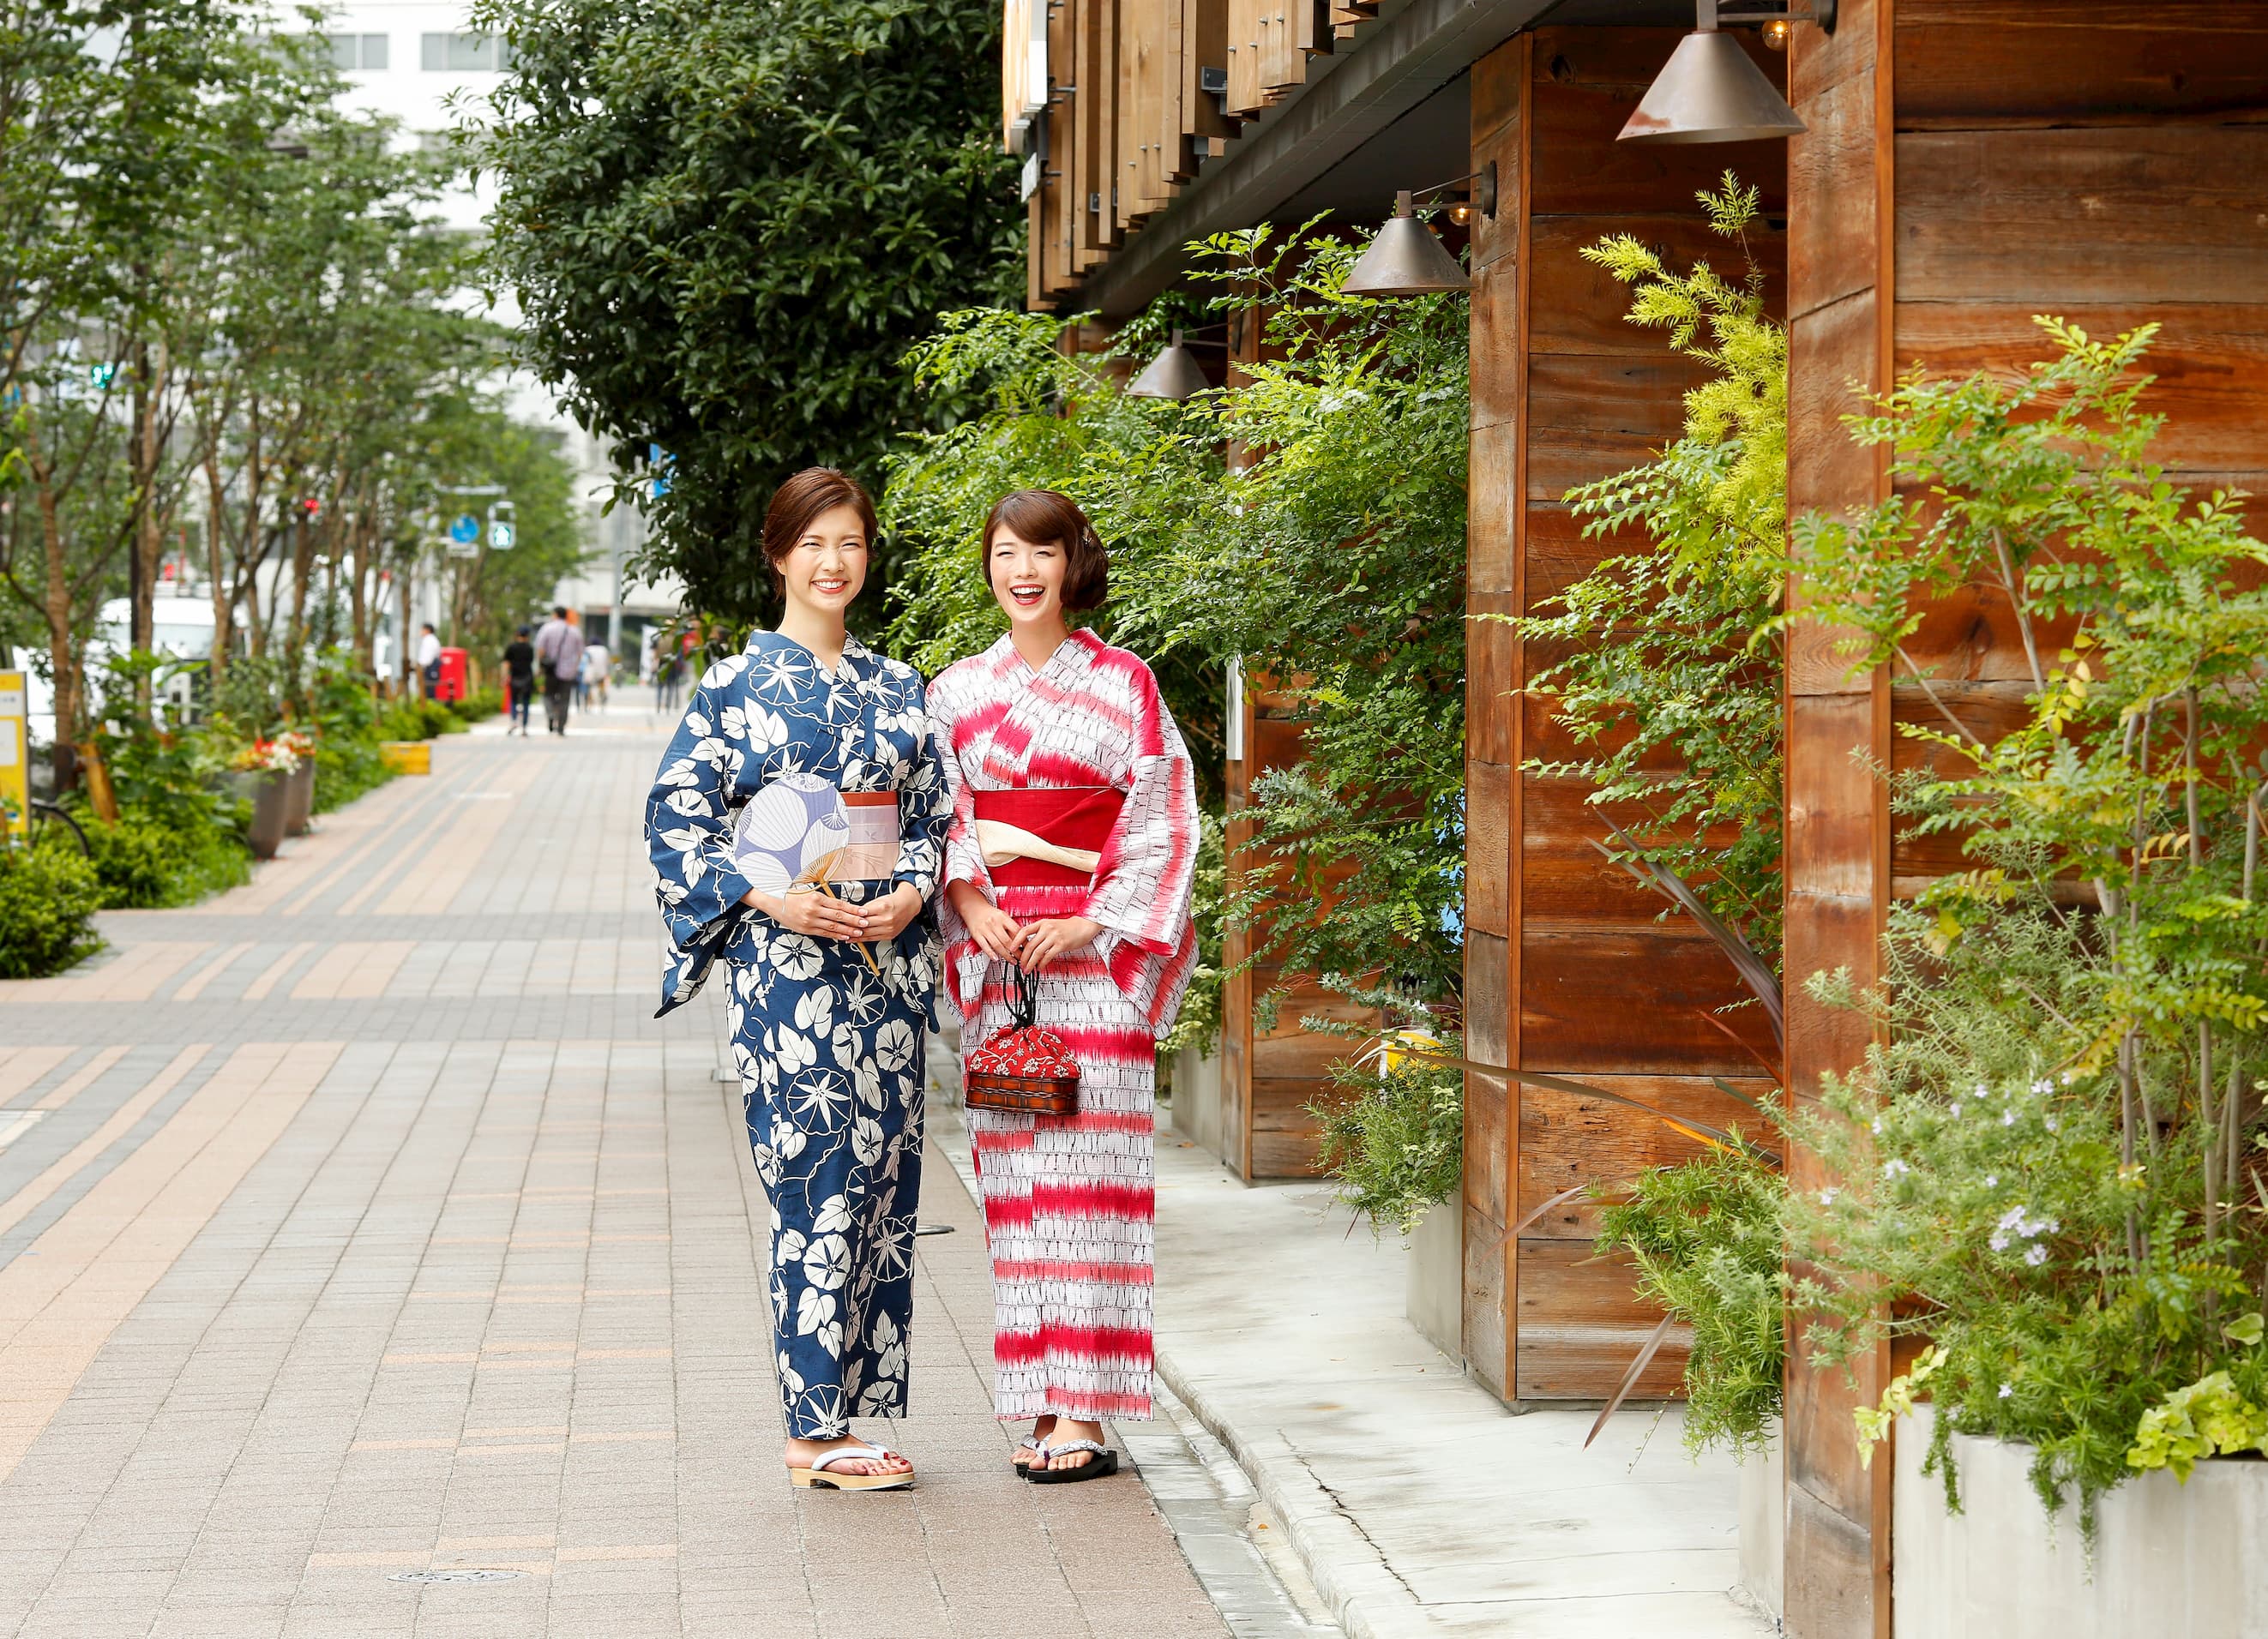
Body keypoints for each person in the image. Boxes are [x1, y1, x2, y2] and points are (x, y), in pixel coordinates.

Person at [643, 466, 950, 1491]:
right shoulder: (733, 686)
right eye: (812, 543)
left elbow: (933, 818)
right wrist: (770, 899)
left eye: (849, 542)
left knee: (882, 1184)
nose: (832, 562)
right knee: (813, 1179)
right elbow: (676, 820)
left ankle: (847, 1414)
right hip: (789, 974)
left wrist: (911, 889)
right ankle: (811, 1434)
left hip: (885, 966)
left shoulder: (899, 684)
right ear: (777, 556)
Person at [927, 489, 1199, 1483]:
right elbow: (940, 814)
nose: (1023, 570)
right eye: (1005, 552)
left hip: (1095, 959)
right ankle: (1040, 1397)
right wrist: (971, 902)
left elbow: (1165, 818)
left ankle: (1083, 1411)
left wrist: (1093, 919)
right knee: (1016, 1186)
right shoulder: (954, 692)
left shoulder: (1126, 683)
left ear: (1070, 562)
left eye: (1041, 552)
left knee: (1093, 1180)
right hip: (1003, 963)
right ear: (989, 566)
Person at [533, 605, 582, 735]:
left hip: (551, 670)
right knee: (565, 700)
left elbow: (540, 649)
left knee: (548, 696)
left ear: (555, 615)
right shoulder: (575, 631)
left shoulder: (547, 629)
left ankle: (550, 715)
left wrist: (540, 667)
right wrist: (575, 667)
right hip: (568, 672)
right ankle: (561, 727)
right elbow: (580, 653)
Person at [502, 627, 537, 735]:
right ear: (527, 636)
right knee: (526, 703)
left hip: (515, 677)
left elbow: (506, 663)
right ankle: (524, 727)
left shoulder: (511, 647)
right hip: (527, 678)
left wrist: (504, 677)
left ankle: (514, 721)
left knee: (514, 701)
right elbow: (531, 662)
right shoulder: (530, 648)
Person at [581, 635, 611, 711]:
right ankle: (602, 702)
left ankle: (589, 704)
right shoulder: (604, 649)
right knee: (601, 687)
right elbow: (607, 662)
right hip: (602, 671)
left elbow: (584, 661)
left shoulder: (588, 649)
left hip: (590, 672)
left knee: (589, 689)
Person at [415, 622, 442, 699]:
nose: (421, 632)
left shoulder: (429, 640)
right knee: (429, 689)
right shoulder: (431, 639)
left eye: (422, 629)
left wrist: (420, 665)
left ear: (427, 630)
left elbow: (427, 658)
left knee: (429, 690)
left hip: (430, 668)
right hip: (431, 667)